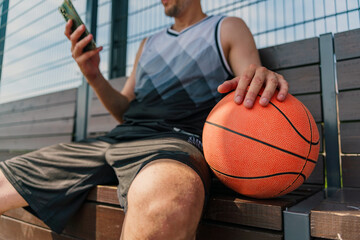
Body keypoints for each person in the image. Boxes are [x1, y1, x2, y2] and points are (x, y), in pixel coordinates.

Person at [0, 0, 288, 239]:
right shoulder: (148, 44)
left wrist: (260, 77)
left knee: (167, 202)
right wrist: (93, 75)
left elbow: (250, 79)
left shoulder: (227, 27)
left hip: (175, 144)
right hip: (116, 139)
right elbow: (124, 109)